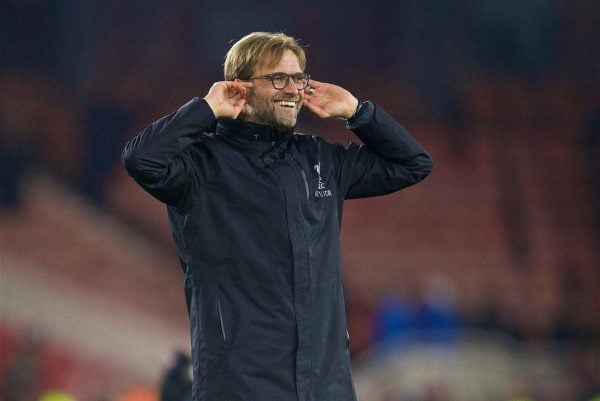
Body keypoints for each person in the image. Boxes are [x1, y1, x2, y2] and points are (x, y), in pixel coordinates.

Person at [122, 32, 432, 401]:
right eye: (278, 78)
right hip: (240, 385)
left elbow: (413, 164)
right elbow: (141, 159)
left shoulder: (319, 158)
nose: (293, 89)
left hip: (324, 383)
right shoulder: (201, 165)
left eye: (298, 77)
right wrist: (205, 108)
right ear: (239, 87)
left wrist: (358, 112)